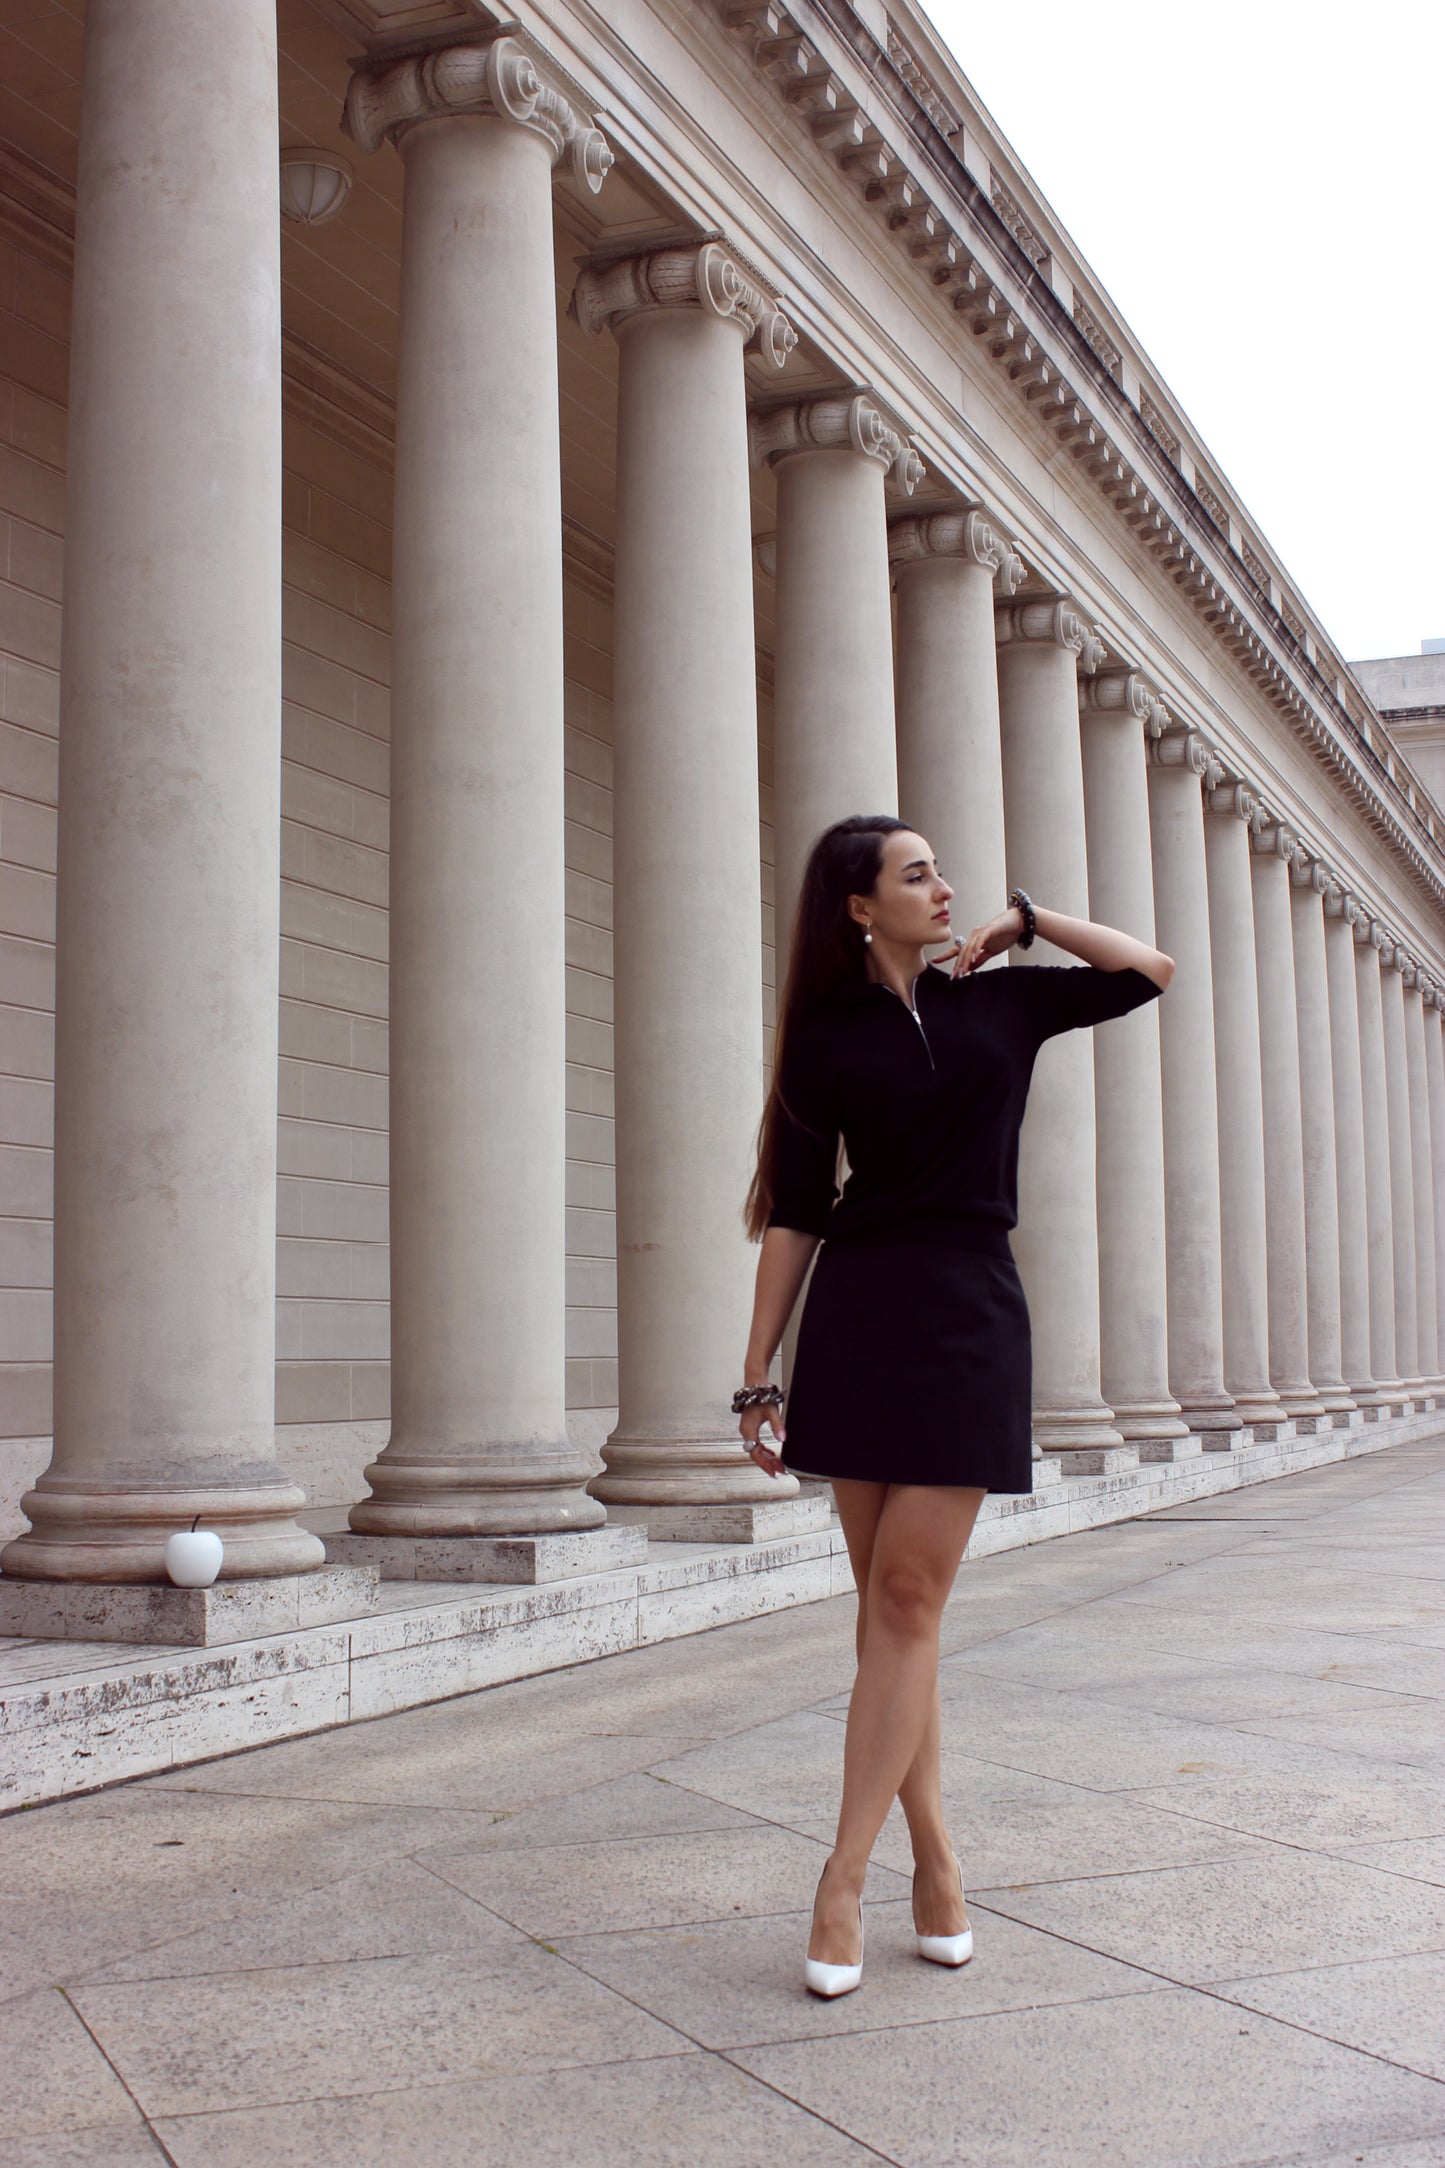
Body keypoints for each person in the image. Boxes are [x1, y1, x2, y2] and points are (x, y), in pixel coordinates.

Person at [736, 814, 1174, 1997]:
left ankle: (839, 1876)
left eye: (941, 872)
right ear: (857, 907)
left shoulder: (1003, 1003)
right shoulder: (823, 1037)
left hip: (970, 1311)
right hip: (860, 1311)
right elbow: (794, 1206)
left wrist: (1025, 922)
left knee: (908, 1593)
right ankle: (935, 1857)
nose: (942, 888)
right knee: (894, 1613)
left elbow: (1146, 971)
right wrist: (755, 1366)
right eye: (914, 874)